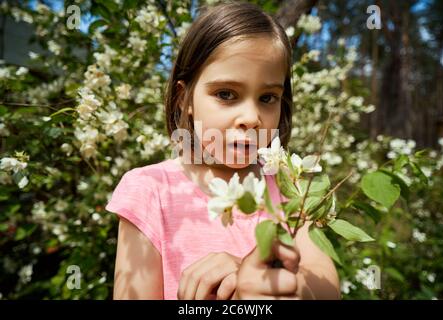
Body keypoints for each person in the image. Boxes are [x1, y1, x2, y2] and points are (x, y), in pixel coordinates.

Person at [106, 2, 340, 300]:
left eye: (268, 97)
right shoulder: (149, 191)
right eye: (226, 94)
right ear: (184, 99)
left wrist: (254, 282)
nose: (251, 118)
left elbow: (326, 288)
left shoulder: (290, 187)